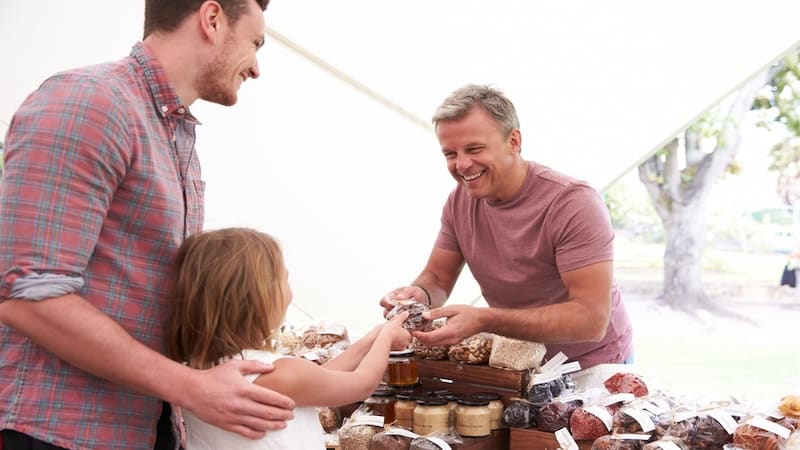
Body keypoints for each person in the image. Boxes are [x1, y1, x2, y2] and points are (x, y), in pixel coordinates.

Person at [0, 1, 295, 449]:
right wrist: (191, 386)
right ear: (212, 19)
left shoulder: (173, 134)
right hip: (56, 430)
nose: (256, 68)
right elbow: (24, 293)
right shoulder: (90, 102)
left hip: (140, 425)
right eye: (255, 43)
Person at [381, 84, 633, 370]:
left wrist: (485, 320)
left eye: (474, 149)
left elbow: (590, 320)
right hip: (517, 362)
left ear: (513, 141)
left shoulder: (572, 202)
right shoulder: (459, 202)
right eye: (450, 154)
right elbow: (437, 278)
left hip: (591, 366)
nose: (462, 165)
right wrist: (418, 296)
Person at [167, 227, 412, 449]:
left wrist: (373, 336)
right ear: (261, 299)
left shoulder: (196, 373)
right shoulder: (284, 373)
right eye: (285, 279)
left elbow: (321, 377)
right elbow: (362, 383)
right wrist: (388, 336)